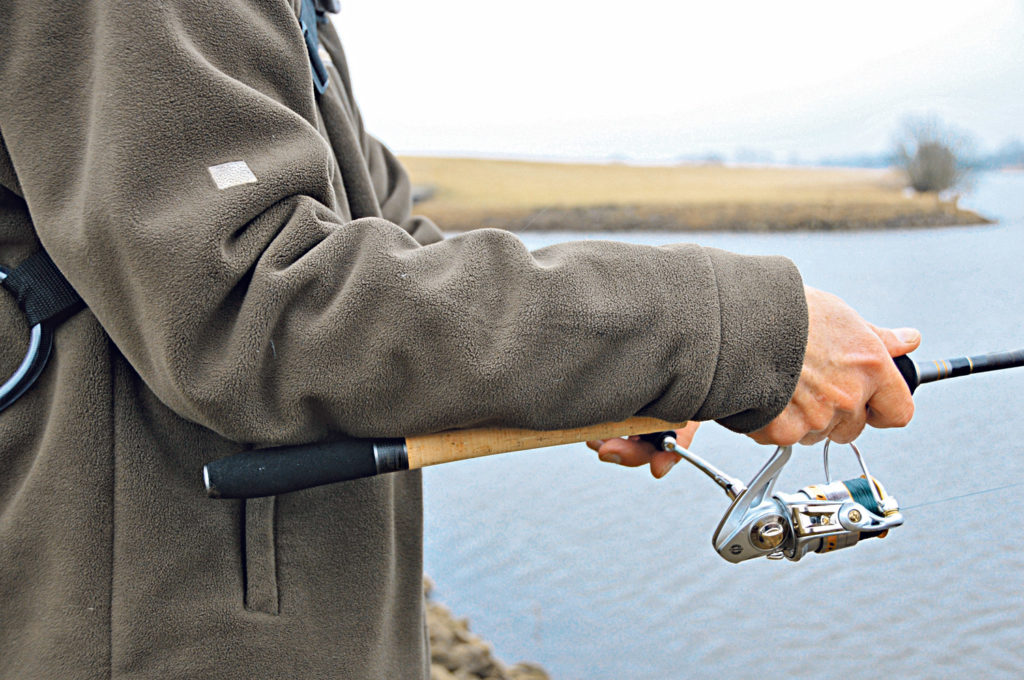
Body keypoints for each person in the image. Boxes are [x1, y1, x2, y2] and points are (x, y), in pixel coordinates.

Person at [0, 2, 917, 678]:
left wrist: (626, 375)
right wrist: (725, 329)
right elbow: (260, 305)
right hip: (162, 640)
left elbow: (396, 253)